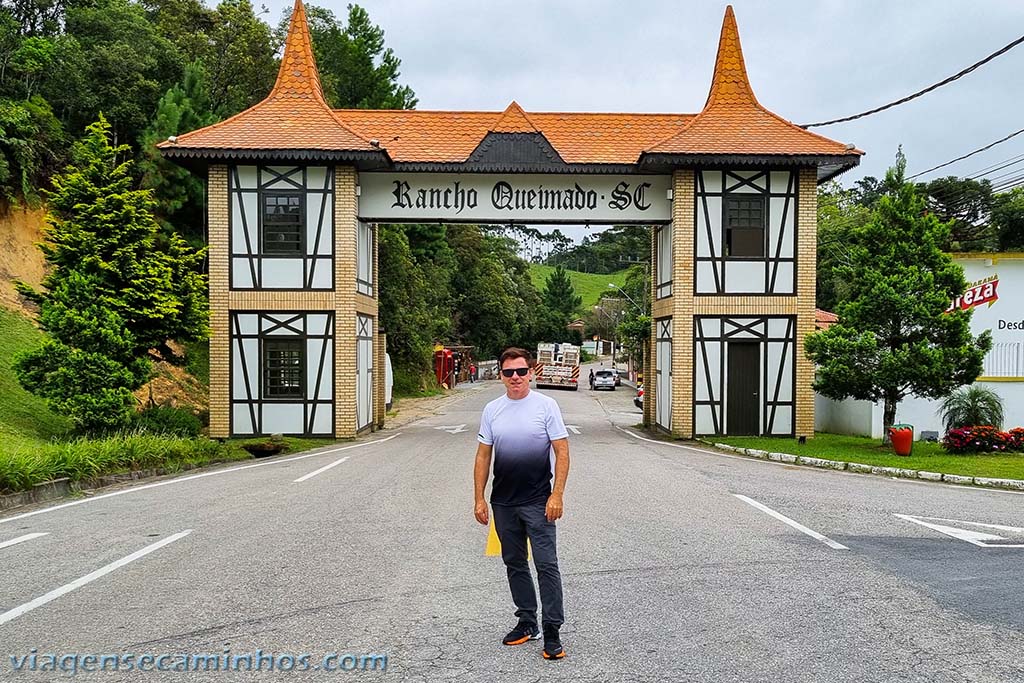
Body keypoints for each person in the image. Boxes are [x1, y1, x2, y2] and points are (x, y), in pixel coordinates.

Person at [474, 347, 570, 660]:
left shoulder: (546, 406)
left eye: (521, 371)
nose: (515, 377)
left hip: (539, 501)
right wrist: (479, 498)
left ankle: (552, 629)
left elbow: (562, 451)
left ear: (531, 372)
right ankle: (528, 622)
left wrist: (557, 494)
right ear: (500, 376)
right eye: (508, 372)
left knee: (546, 564)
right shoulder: (492, 409)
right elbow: (483, 455)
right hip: (503, 502)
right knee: (514, 563)